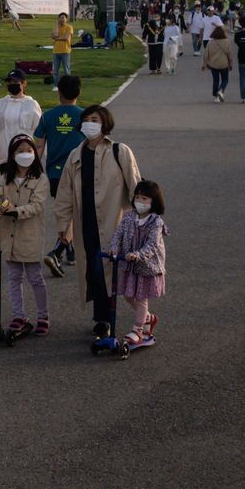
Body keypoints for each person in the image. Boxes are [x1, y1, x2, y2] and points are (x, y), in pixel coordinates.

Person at [53, 104, 142, 341]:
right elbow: (64, 193)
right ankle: (102, 319)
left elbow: (135, 187)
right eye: (87, 119)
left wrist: (143, 220)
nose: (90, 123)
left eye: (96, 119)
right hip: (86, 224)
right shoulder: (75, 155)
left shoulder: (119, 151)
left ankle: (134, 318)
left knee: (116, 272)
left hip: (115, 222)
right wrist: (64, 226)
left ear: (105, 123)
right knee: (95, 272)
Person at [0, 134, 52, 336]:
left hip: (29, 234)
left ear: (35, 153)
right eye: (20, 151)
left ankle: (43, 316)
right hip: (8, 235)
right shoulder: (5, 175)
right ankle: (19, 316)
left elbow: (37, 205)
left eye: (29, 150)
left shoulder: (40, 179)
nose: (25, 154)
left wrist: (16, 211)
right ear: (12, 154)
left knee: (35, 277)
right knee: (14, 277)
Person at [104, 179, 168, 349]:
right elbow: (118, 234)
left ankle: (138, 329)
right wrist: (113, 247)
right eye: (137, 198)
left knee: (140, 297)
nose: (140, 202)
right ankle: (148, 318)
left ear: (154, 201)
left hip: (147, 266)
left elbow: (152, 245)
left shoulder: (156, 222)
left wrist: (138, 255)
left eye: (145, 199)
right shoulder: (129, 217)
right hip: (129, 264)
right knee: (127, 294)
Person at [33, 74, 86, 276]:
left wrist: (34, 169)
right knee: (73, 213)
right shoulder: (84, 116)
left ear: (59, 92)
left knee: (66, 211)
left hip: (55, 173)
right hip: (78, 171)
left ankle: (67, 249)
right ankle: (57, 250)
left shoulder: (47, 116)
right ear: (79, 92)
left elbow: (38, 144)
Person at [0, 69, 42, 162]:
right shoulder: (1, 103)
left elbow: (40, 129)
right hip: (4, 151)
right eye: (10, 82)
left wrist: (42, 151)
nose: (12, 84)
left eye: (15, 82)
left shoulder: (31, 104)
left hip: (25, 152)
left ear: (23, 83)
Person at [201, 24, 234, 102]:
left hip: (213, 64)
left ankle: (216, 96)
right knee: (225, 79)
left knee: (215, 80)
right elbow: (230, 55)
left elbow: (206, 55)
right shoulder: (227, 42)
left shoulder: (210, 42)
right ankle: (220, 90)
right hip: (224, 64)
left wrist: (204, 64)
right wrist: (231, 64)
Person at [51, 14, 74, 81]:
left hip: (65, 51)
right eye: (60, 18)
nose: (62, 19)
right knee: (55, 70)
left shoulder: (69, 27)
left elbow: (66, 38)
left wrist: (57, 39)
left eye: (63, 18)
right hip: (56, 51)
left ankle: (68, 84)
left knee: (66, 70)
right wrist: (56, 26)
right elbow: (54, 35)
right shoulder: (57, 27)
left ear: (66, 19)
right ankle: (56, 85)